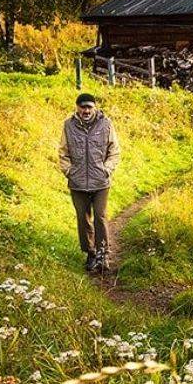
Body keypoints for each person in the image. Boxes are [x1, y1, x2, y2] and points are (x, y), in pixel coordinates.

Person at [58, 92, 120, 273]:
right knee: (83, 218)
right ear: (77, 108)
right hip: (77, 183)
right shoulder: (68, 125)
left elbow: (114, 150)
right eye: (82, 107)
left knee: (100, 216)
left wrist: (107, 169)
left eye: (89, 107)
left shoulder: (106, 124)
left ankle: (103, 254)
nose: (86, 110)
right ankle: (90, 253)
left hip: (100, 181)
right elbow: (63, 152)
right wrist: (68, 171)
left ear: (95, 108)